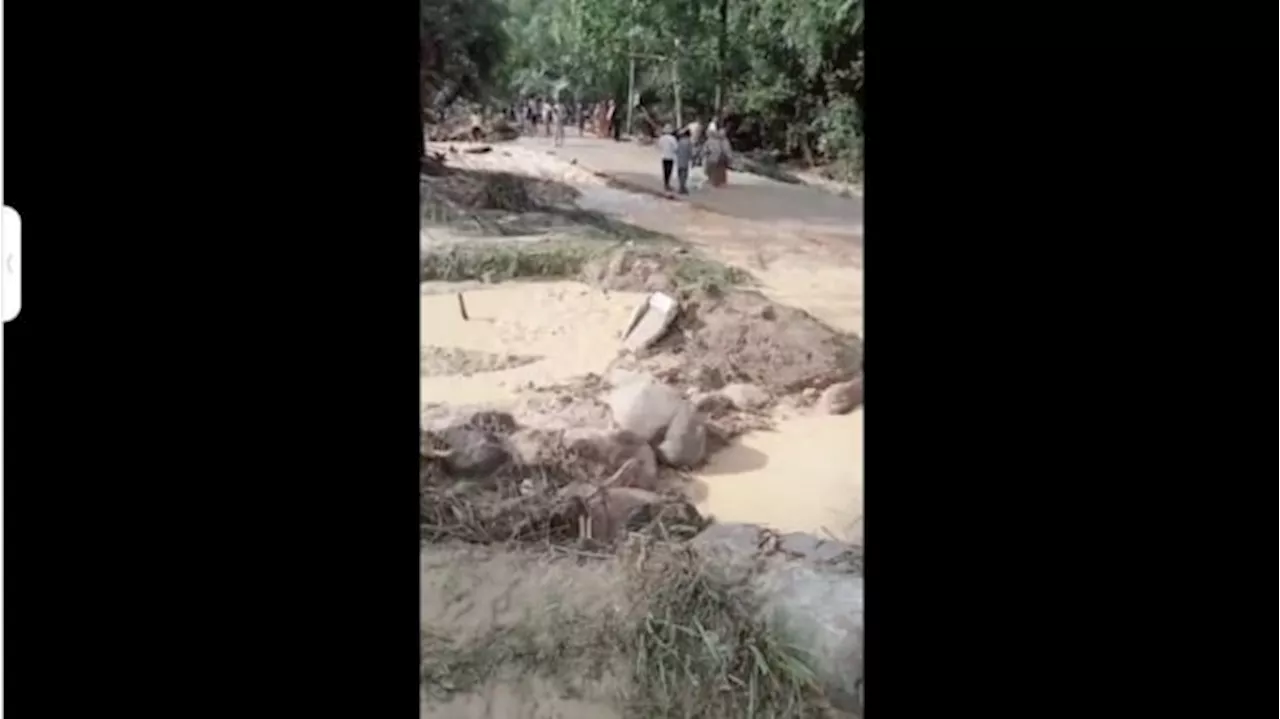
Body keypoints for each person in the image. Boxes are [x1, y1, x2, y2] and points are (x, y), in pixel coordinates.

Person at [657, 124, 678, 191]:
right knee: (669, 171)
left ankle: (666, 184)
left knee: (665, 171)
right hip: (670, 156)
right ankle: (667, 184)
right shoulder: (672, 138)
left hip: (663, 156)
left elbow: (659, 146)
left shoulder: (662, 138)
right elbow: (676, 148)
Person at [675, 127, 693, 194]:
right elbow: (690, 152)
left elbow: (676, 150)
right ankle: (682, 188)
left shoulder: (679, 141)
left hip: (679, 159)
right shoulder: (689, 142)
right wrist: (692, 159)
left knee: (680, 173)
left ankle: (681, 187)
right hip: (685, 160)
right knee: (684, 174)